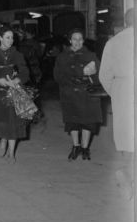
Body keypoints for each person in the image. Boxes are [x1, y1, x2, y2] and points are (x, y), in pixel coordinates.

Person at [53, 28, 102, 161]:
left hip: (86, 94)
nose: (77, 42)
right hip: (69, 94)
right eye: (74, 39)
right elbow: (57, 76)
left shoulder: (91, 56)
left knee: (88, 122)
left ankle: (85, 148)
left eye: (80, 39)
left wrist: (91, 73)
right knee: (72, 122)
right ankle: (76, 146)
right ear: (70, 40)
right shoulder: (62, 57)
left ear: (83, 41)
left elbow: (99, 75)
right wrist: (81, 73)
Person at [0, 25, 31, 161]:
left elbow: (25, 71)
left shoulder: (17, 54)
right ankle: (2, 140)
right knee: (2, 121)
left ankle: (12, 153)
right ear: (0, 38)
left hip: (15, 91)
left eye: (12, 38)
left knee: (14, 121)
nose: (10, 40)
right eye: (7, 37)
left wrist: (17, 80)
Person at [99, 9, 134, 154]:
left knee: (125, 130)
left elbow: (104, 75)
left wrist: (116, 92)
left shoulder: (113, 42)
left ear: (126, 22)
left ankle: (129, 169)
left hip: (122, 87)